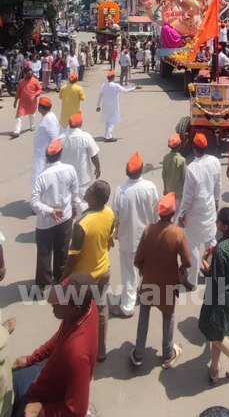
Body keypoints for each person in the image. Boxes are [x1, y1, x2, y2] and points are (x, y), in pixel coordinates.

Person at [11, 272, 99, 417]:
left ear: (75, 309)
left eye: (59, 302)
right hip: (51, 375)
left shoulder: (77, 354)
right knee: (17, 379)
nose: (52, 304)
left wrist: (41, 411)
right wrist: (31, 358)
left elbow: (76, 410)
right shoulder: (88, 308)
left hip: (52, 399)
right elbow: (59, 337)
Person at [130, 192, 191, 368]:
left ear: (159, 212)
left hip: (149, 281)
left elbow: (137, 260)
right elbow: (188, 261)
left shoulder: (148, 230)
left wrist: (144, 270)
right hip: (168, 284)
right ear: (173, 213)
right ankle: (167, 353)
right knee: (168, 316)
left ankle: (138, 353)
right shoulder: (178, 233)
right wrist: (181, 269)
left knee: (144, 312)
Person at [63, 180, 114, 362]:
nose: (86, 191)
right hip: (104, 271)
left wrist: (64, 278)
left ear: (95, 199)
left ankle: (77, 354)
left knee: (77, 315)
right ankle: (101, 352)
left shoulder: (82, 224)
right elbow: (110, 240)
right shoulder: (109, 213)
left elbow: (73, 258)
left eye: (90, 190)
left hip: (83, 280)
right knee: (101, 311)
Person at [199, 207, 229, 384]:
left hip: (219, 295)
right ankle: (214, 368)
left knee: (212, 330)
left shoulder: (221, 249)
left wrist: (204, 263)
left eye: (218, 221)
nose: (216, 222)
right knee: (217, 329)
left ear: (225, 227)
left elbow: (215, 278)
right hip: (228, 291)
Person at [110, 152, 158, 318]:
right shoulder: (150, 188)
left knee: (129, 272)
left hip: (128, 239)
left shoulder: (121, 191)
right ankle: (146, 295)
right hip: (147, 238)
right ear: (141, 170)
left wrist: (113, 235)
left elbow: (114, 217)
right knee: (146, 269)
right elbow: (156, 213)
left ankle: (127, 306)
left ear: (127, 172)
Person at [31, 138, 80, 291]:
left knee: (44, 254)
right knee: (62, 251)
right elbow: (75, 192)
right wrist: (74, 207)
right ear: (60, 154)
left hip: (46, 222)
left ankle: (44, 285)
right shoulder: (70, 169)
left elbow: (34, 203)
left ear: (47, 157)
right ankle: (61, 280)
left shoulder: (42, 177)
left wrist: (51, 211)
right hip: (65, 217)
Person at [178, 132, 221, 288]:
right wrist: (217, 200)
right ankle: (211, 270)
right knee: (211, 240)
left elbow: (187, 197)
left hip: (195, 213)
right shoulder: (215, 162)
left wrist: (181, 214)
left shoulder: (192, 169)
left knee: (193, 245)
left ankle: (191, 280)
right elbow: (218, 185)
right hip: (209, 209)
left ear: (194, 148)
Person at [60, 112, 101, 202]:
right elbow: (94, 155)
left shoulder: (61, 138)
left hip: (66, 179)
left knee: (67, 203)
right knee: (83, 203)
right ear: (80, 123)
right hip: (82, 179)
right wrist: (98, 168)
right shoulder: (86, 137)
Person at [96, 70, 142, 142]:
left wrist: (98, 105)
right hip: (113, 106)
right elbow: (125, 91)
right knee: (112, 121)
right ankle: (108, 136)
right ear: (113, 77)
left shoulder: (103, 86)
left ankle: (107, 134)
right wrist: (134, 88)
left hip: (106, 106)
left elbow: (100, 96)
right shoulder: (115, 86)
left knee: (108, 121)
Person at [30, 97, 60, 192]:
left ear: (40, 107)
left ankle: (38, 198)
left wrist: (51, 157)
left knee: (38, 179)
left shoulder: (49, 119)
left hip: (44, 157)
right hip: (41, 154)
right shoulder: (47, 117)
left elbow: (54, 138)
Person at [11, 65, 42, 138]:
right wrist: (15, 101)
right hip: (23, 102)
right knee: (20, 116)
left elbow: (39, 89)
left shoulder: (35, 81)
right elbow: (18, 92)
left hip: (32, 102)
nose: (30, 75)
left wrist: (35, 95)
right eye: (29, 74)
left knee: (32, 115)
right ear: (25, 74)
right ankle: (17, 131)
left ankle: (32, 126)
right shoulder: (21, 82)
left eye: (31, 73)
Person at [162, 134, 186, 219]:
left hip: (169, 191)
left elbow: (164, 175)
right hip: (179, 192)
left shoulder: (166, 158)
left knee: (171, 211)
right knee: (178, 213)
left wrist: (165, 188)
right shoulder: (182, 160)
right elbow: (184, 177)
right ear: (180, 145)